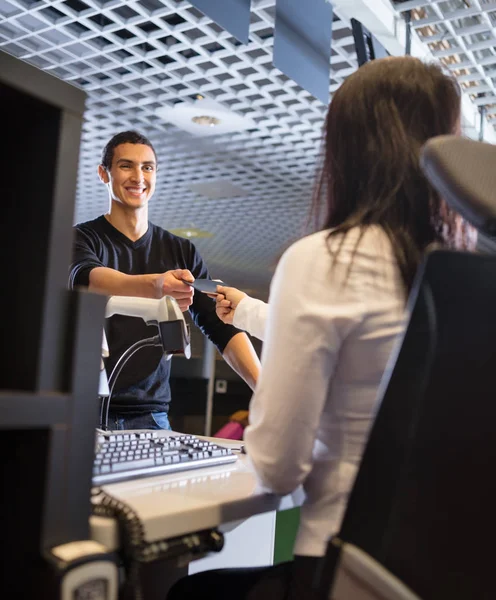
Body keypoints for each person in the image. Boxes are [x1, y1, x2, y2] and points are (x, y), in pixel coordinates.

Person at [167, 56, 473, 600]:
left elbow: (278, 467)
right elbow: (380, 343)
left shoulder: (324, 260)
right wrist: (260, 313)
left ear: (348, 151)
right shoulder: (464, 274)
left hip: (346, 571)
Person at [69, 130, 260, 431]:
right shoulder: (82, 238)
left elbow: (221, 327)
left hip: (151, 414)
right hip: (86, 410)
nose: (138, 176)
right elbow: (90, 279)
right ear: (103, 174)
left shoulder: (181, 251)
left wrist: (266, 392)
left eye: (147, 167)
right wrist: (156, 286)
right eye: (126, 165)